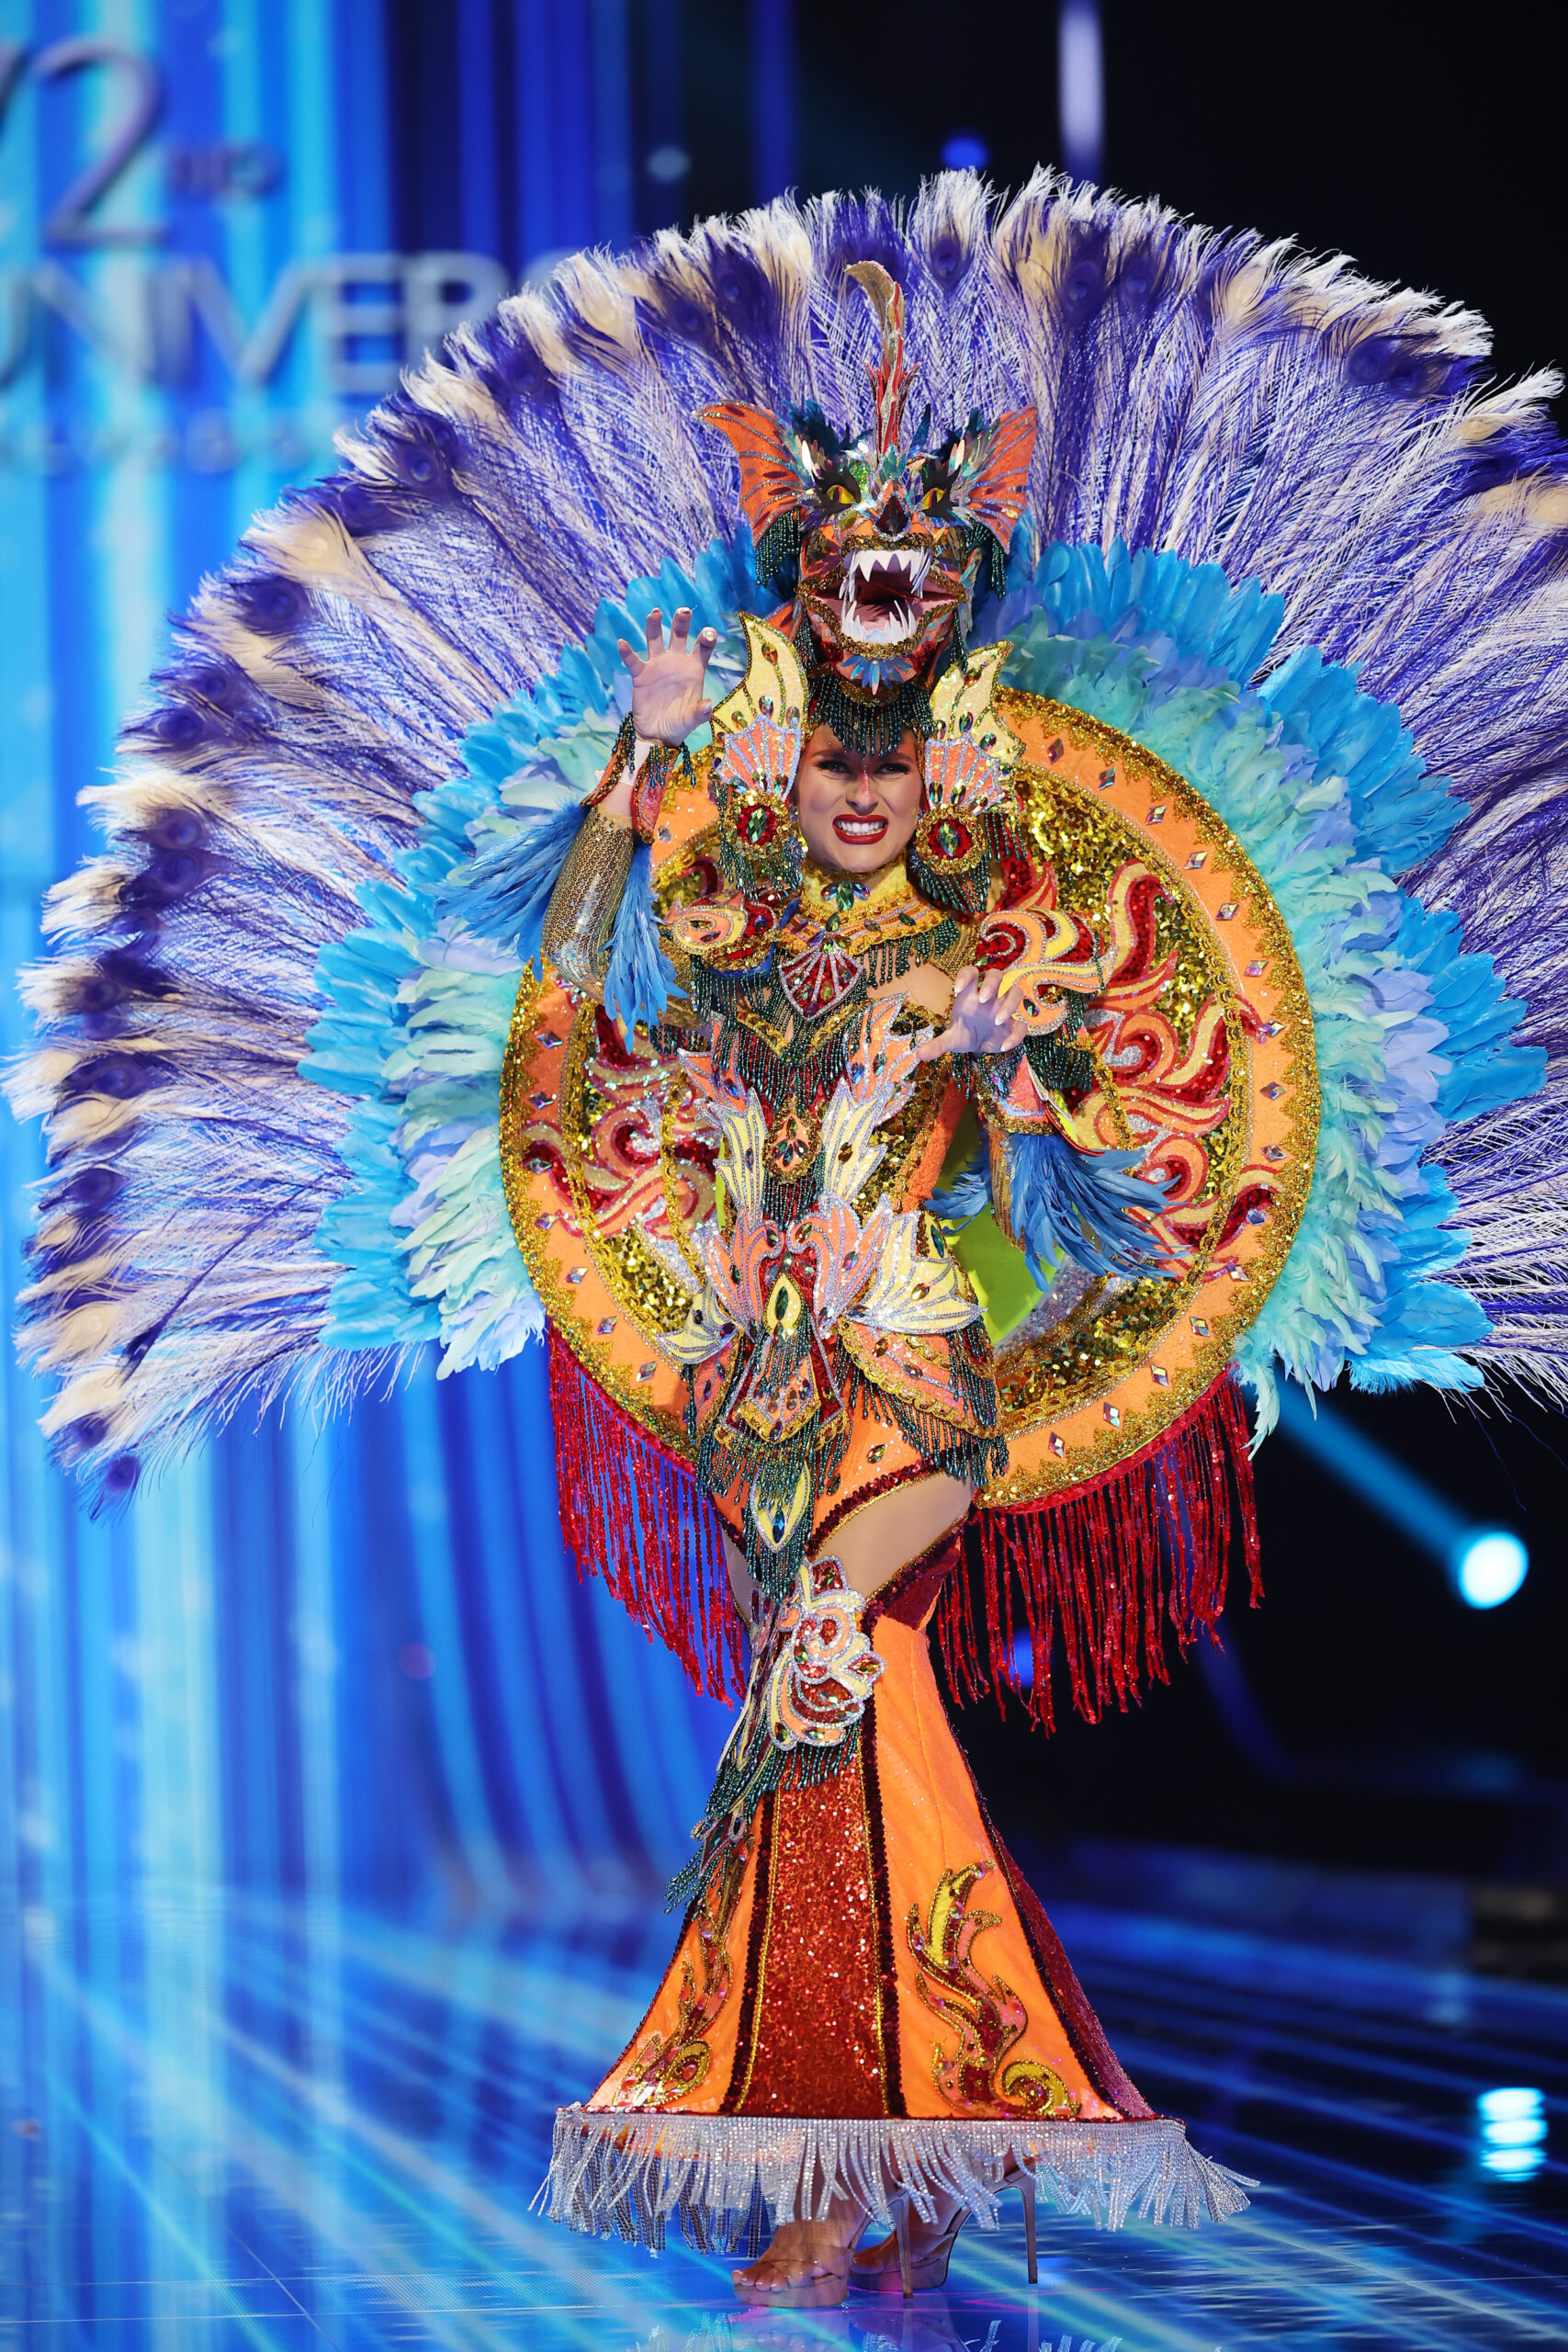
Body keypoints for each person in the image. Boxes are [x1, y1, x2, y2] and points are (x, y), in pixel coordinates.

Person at [13, 180, 1564, 2314]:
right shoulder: (725, 913)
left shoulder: (984, 945)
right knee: (821, 1699)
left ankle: (895, 2123)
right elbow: (578, 1021)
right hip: (761, 1372)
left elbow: (1087, 1174)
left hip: (917, 1368)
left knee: (840, 1651)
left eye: (891, 766)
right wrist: (642, 765)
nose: (856, 791)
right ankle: (872, 2134)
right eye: (825, 761)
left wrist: (1033, 1078)